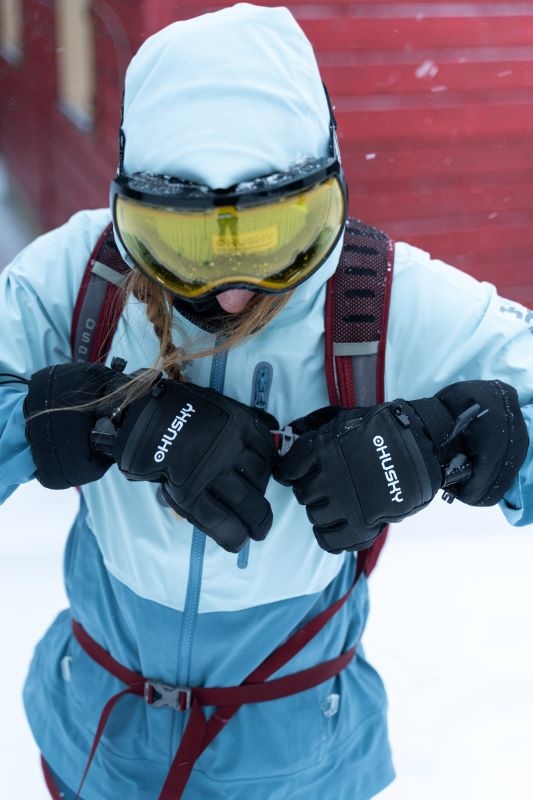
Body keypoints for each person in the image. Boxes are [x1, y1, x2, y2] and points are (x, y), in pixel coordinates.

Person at [0, 4, 532, 799]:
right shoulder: (85, 281)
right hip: (98, 741)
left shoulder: (377, 300)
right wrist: (90, 417)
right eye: (183, 243)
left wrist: (445, 443)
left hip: (294, 763)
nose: (232, 290)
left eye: (276, 235)